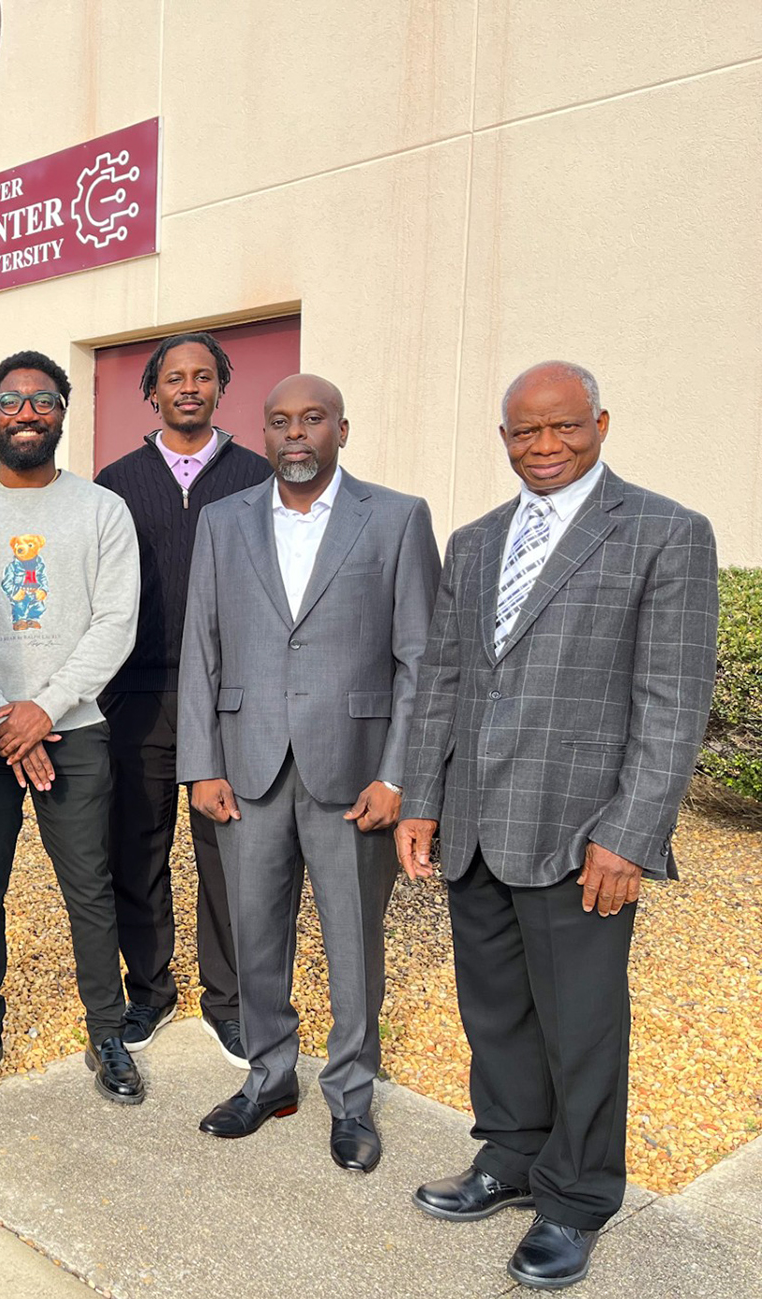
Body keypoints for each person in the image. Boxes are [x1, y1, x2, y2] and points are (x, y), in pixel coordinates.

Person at [395, 362, 718, 1289]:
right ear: (504, 438)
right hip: (475, 824)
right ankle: (508, 1154)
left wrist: (632, 830)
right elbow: (446, 684)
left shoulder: (664, 532)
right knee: (494, 1008)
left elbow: (671, 701)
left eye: (563, 428)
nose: (544, 447)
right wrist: (423, 798)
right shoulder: (475, 539)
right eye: (524, 432)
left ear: (601, 423)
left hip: (583, 835)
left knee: (580, 1022)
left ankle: (576, 1196)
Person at [177, 374, 439, 1172]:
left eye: (313, 419)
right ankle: (270, 1077)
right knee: (255, 934)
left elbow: (420, 660)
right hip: (247, 768)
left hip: (356, 774)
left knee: (353, 940)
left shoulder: (395, 518)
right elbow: (201, 645)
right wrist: (201, 764)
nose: (296, 433)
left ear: (342, 430)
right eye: (280, 419)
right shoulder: (224, 522)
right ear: (264, 433)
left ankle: (352, 1096)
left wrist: (399, 775)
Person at [0, 349, 143, 1106]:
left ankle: (106, 1029)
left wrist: (43, 709)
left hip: (75, 728)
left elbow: (115, 621)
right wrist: (3, 715)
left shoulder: (100, 510)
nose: (26, 413)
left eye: (43, 400)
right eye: (10, 401)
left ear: (63, 411)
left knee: (89, 884)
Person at [95, 332, 271, 1064]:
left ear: (221, 387)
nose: (189, 387)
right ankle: (150, 990)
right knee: (136, 850)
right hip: (138, 692)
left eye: (203, 376)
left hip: (232, 697)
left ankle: (227, 1002)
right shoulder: (116, 480)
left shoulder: (259, 477)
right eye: (175, 377)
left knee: (227, 854)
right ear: (153, 391)